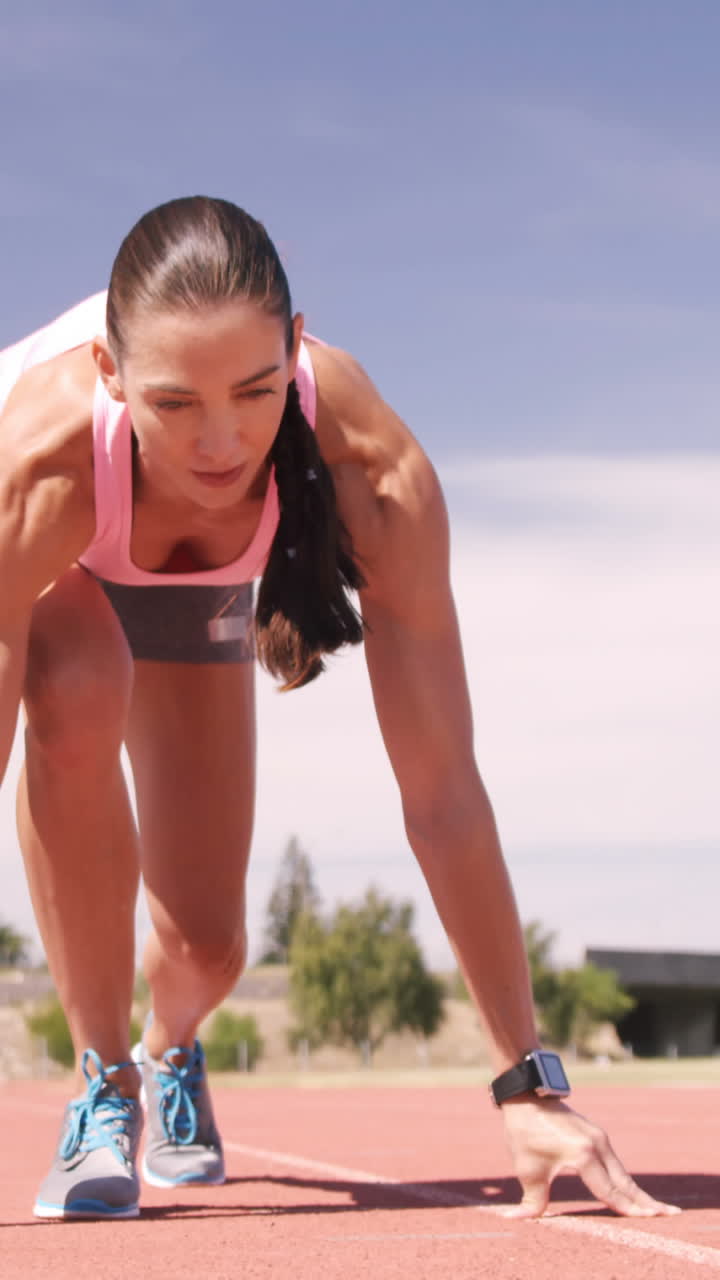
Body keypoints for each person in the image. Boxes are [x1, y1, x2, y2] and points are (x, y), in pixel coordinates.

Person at [0, 196, 678, 1222]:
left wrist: (527, 1078)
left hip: (198, 596)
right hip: (69, 567)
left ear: (297, 347)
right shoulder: (33, 466)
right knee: (76, 687)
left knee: (209, 949)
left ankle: (170, 1045)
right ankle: (104, 1085)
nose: (221, 440)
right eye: (176, 402)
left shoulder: (374, 466)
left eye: (256, 391)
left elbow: (444, 788)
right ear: (110, 374)